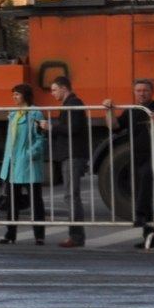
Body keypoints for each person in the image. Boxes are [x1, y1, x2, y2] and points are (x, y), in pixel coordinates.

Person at [103, 79, 154, 249]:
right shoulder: (133, 111)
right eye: (138, 90)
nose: (142, 93)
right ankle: (150, 235)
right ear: (134, 92)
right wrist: (109, 110)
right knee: (142, 190)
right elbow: (115, 127)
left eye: (145, 90)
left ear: (152, 92)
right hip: (138, 156)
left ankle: (140, 215)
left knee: (148, 176)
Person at [0, 83, 48, 245]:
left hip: (28, 163)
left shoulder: (35, 113)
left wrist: (29, 154)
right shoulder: (13, 114)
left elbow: (41, 138)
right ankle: (10, 234)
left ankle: (39, 235)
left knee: (35, 200)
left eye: (17, 94)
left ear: (25, 95)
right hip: (13, 163)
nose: (14, 97)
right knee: (12, 201)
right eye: (13, 95)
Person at [49, 75, 92, 247]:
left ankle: (76, 236)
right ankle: (76, 235)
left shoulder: (74, 103)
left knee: (71, 195)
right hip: (70, 154)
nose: (52, 93)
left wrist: (52, 127)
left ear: (63, 88)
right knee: (71, 195)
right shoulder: (70, 104)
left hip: (73, 154)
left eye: (53, 89)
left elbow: (73, 128)